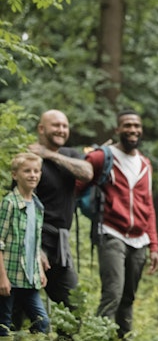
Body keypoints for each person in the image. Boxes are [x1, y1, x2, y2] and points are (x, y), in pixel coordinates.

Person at [80, 109, 158, 339]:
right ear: (118, 129)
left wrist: (154, 246)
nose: (132, 130)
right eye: (127, 125)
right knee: (113, 294)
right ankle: (99, 336)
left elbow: (149, 206)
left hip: (139, 239)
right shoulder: (102, 157)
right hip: (111, 232)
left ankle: (123, 336)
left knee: (128, 298)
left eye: (136, 125)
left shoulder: (145, 164)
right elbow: (78, 183)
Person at [26, 110, 93, 309]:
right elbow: (25, 205)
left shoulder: (70, 155)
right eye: (56, 125)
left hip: (60, 244)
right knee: (20, 306)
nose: (61, 130)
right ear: (41, 128)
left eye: (64, 126)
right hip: (37, 240)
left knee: (75, 308)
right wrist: (36, 249)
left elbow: (87, 172)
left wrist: (50, 155)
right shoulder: (30, 161)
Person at [0, 153, 49, 336]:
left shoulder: (38, 206)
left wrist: (40, 270)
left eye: (36, 171)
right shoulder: (9, 203)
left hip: (29, 277)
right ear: (15, 175)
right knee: (4, 325)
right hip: (9, 277)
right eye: (27, 171)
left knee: (42, 322)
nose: (32, 175)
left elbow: (33, 243)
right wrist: (2, 277)